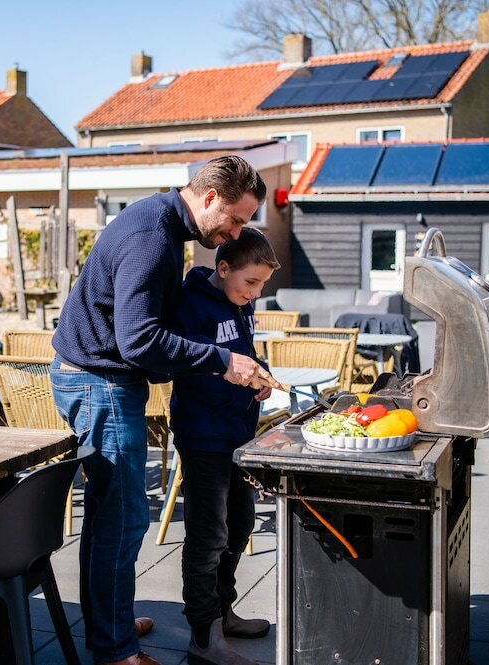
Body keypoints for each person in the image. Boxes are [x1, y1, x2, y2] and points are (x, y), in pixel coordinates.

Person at [49, 155, 283, 665]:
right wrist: (221, 361)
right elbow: (139, 341)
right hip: (99, 382)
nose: (236, 232)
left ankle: (108, 622)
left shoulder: (162, 225)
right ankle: (115, 651)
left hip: (97, 377)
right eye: (236, 219)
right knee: (124, 519)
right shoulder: (153, 240)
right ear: (208, 198)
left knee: (111, 519)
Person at [169, 228, 279, 665]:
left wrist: (260, 377)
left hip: (238, 432)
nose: (254, 293)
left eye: (262, 286)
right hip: (203, 434)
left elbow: (244, 352)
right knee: (207, 533)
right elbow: (182, 362)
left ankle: (223, 609)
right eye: (250, 282)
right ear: (223, 268)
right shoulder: (191, 303)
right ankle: (204, 634)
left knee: (240, 523)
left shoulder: (242, 304)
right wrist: (225, 377)